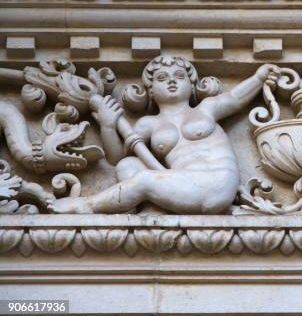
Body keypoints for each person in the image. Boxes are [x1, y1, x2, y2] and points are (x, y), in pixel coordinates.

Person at [48, 56, 279, 214]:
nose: (170, 81)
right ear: (149, 90)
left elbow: (235, 99)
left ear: (191, 84)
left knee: (144, 180)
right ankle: (152, 209)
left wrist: (258, 78)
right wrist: (108, 126)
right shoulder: (149, 123)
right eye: (161, 78)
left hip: (216, 183)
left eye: (179, 76)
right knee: (128, 166)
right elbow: (116, 157)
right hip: (182, 184)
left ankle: (87, 206)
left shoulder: (205, 109)